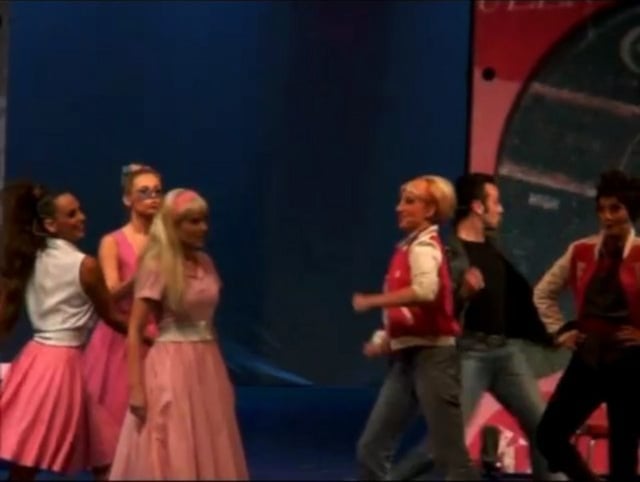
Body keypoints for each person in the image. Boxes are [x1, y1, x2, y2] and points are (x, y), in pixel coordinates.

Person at [389, 173, 560, 480]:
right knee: (440, 445)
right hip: (468, 355)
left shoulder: (494, 247)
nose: (501, 209)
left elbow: (515, 301)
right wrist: (462, 294)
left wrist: (553, 336)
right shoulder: (447, 254)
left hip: (506, 353)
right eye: (496, 202)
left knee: (544, 430)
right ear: (478, 207)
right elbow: (433, 313)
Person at [109, 188, 248, 480]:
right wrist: (136, 388)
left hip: (207, 363)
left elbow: (208, 320)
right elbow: (134, 329)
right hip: (173, 364)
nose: (203, 228)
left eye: (204, 220)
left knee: (210, 439)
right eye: (194, 221)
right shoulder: (157, 265)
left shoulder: (205, 262)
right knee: (174, 438)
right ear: (174, 225)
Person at [351, 175, 479, 481]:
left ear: (430, 210)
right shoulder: (406, 248)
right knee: (371, 448)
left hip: (434, 358)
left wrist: (373, 300)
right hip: (406, 359)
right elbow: (405, 312)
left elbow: (425, 291)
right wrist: (385, 338)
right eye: (401, 200)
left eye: (409, 201)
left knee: (450, 456)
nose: (399, 207)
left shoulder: (425, 247)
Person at [0, 182, 128, 480]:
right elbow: (112, 315)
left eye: (79, 211)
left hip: (36, 359)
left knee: (97, 450)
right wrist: (150, 337)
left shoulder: (30, 259)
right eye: (71, 214)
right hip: (60, 365)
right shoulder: (84, 266)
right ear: (50, 224)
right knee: (32, 456)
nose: (81, 217)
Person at [534, 169, 640, 482]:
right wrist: (561, 331)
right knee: (549, 436)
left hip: (630, 363)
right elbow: (543, 293)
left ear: (630, 211)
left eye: (615, 208)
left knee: (623, 458)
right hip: (588, 357)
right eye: (602, 209)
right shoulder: (580, 250)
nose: (607, 216)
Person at [84, 164, 162, 429]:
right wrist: (139, 277)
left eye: (157, 191)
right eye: (144, 192)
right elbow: (110, 293)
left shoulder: (167, 241)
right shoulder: (113, 241)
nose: (153, 197)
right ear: (128, 199)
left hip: (160, 333)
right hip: (123, 333)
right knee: (119, 416)